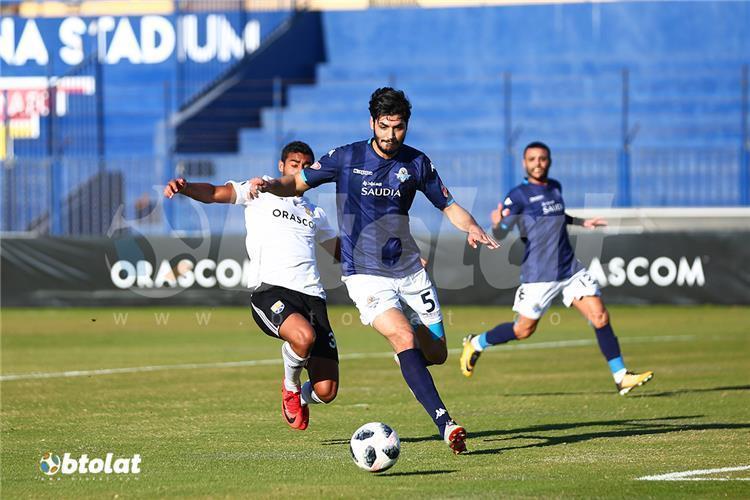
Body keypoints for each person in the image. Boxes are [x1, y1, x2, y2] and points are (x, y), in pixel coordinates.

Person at [246, 88, 499, 454]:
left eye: (398, 128)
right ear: (372, 123)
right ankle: (446, 424)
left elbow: (449, 205)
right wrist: (272, 185)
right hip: (364, 274)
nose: (391, 135)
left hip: (410, 271)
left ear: (406, 125)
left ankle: (407, 338)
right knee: (403, 340)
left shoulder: (417, 164)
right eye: (384, 126)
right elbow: (296, 183)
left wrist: (471, 226)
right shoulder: (346, 157)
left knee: (437, 353)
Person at [163, 141, 340, 430]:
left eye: (307, 167)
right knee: (303, 336)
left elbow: (340, 252)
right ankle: (291, 386)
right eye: (295, 165)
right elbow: (215, 192)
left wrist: (391, 257)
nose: (300, 171)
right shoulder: (261, 191)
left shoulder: (315, 214)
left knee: (326, 391)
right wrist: (185, 187)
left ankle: (303, 396)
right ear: (282, 167)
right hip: (271, 291)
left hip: (313, 298)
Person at [459, 141, 654, 395]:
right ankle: (476, 343)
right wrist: (498, 224)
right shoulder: (518, 194)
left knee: (600, 316)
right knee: (523, 330)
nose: (537, 163)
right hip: (539, 274)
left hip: (569, 268)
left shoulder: (555, 187)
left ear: (548, 161)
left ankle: (621, 376)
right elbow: (502, 230)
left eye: (542, 158)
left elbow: (559, 215)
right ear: (524, 163)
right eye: (532, 159)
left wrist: (583, 222)